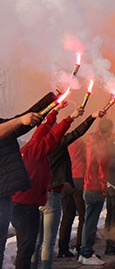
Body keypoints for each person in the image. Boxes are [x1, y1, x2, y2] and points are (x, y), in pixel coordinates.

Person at [31, 108, 103, 269]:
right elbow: (77, 133)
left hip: (37, 194)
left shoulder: (35, 145)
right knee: (48, 242)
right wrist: (91, 117)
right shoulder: (57, 143)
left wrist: (55, 109)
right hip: (54, 191)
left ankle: (38, 263)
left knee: (36, 241)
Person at [11, 102, 77, 269]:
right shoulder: (35, 150)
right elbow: (52, 137)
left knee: (31, 245)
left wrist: (55, 111)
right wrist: (70, 118)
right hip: (25, 206)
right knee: (27, 248)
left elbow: (42, 133)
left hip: (25, 205)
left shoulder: (31, 146)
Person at [0, 92, 54, 268]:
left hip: (4, 194)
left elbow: (23, 122)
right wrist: (18, 121)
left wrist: (52, 99)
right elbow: (18, 123)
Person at [77, 118, 114, 266]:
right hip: (95, 188)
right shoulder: (102, 144)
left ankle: (83, 252)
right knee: (91, 222)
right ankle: (87, 253)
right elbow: (102, 168)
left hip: (87, 185)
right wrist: (103, 187)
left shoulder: (90, 139)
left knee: (87, 220)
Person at [58, 138, 87, 258]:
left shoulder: (63, 143)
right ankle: (80, 246)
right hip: (79, 178)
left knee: (67, 215)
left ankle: (62, 248)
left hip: (65, 181)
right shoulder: (80, 142)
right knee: (83, 215)